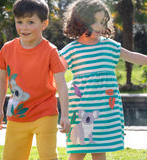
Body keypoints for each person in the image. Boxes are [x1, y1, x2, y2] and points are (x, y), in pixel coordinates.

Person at [59, 0, 147, 160]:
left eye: (103, 22)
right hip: (81, 108)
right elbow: (56, 74)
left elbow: (132, 56)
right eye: (95, 22)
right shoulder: (71, 50)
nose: (100, 26)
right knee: (78, 151)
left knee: (100, 149)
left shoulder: (110, 46)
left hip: (105, 109)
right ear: (80, 22)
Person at [0, 0, 70, 159]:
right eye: (19, 22)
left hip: (45, 113)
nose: (23, 27)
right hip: (17, 115)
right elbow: (2, 81)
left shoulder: (51, 51)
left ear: (44, 24)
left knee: (48, 156)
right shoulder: (7, 48)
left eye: (30, 22)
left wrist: (65, 115)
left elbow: (62, 85)